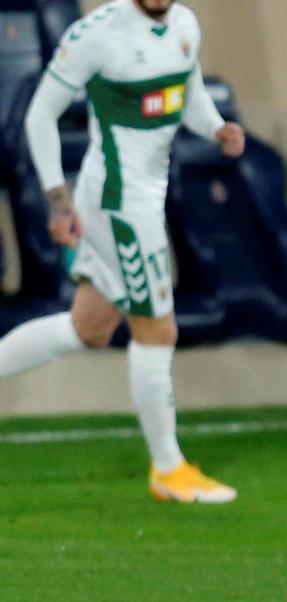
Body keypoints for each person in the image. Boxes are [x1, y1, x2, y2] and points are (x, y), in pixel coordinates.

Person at [0, 0, 241, 503]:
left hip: (142, 196)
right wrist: (56, 198)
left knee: (89, 327)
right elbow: (39, 115)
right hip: (119, 202)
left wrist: (215, 126)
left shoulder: (184, 25)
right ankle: (168, 470)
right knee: (158, 328)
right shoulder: (97, 33)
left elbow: (188, 93)